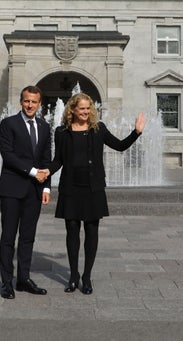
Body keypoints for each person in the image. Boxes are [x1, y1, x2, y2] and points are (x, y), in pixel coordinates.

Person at [48, 92, 146, 295]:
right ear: (72, 110)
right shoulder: (61, 132)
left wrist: (136, 132)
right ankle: (73, 276)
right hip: (70, 188)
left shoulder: (98, 129)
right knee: (72, 232)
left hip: (93, 189)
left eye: (88, 108)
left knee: (92, 233)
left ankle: (87, 276)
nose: (86, 111)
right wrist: (45, 172)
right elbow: (58, 160)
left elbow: (119, 146)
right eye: (82, 108)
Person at [0, 85, 52, 299]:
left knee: (28, 237)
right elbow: (7, 155)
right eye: (27, 101)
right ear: (21, 101)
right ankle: (7, 282)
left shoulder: (44, 126)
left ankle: (23, 279)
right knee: (8, 237)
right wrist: (33, 172)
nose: (30, 105)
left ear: (39, 104)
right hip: (12, 189)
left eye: (34, 102)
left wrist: (46, 186)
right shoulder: (9, 123)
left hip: (35, 191)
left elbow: (47, 157)